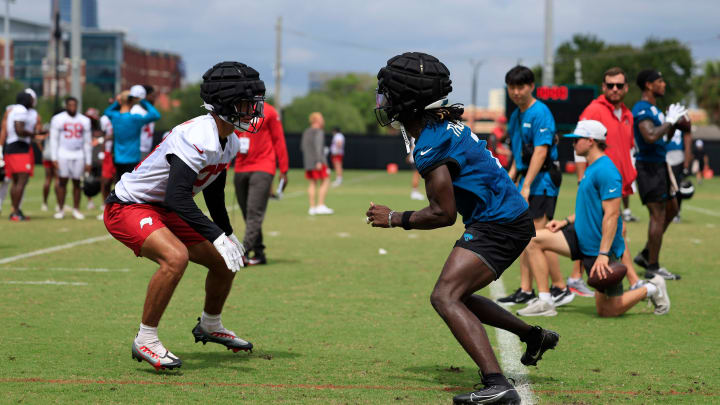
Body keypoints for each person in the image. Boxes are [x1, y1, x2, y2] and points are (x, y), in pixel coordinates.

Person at [367, 52, 558, 405]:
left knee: (444, 296)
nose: (383, 101)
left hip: (499, 222)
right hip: (506, 216)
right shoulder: (442, 124)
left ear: (407, 101)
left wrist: (394, 218)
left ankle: (497, 383)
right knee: (460, 296)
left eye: (389, 94)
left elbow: (443, 214)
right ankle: (533, 336)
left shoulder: (430, 143)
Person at [103, 61, 266, 371]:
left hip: (164, 208)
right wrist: (217, 235)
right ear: (225, 104)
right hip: (129, 205)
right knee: (175, 258)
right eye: (247, 104)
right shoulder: (197, 134)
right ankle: (146, 339)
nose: (253, 111)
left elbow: (214, 190)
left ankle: (209, 324)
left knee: (223, 261)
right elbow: (176, 196)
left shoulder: (228, 139)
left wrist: (227, 234)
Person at [525, 120, 670, 317]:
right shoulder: (592, 167)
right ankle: (545, 301)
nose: (573, 144)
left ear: (591, 141)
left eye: (577, 140)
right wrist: (565, 222)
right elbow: (591, 208)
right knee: (533, 239)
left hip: (599, 248)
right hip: (579, 236)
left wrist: (603, 254)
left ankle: (652, 289)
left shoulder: (606, 170)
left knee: (607, 310)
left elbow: (612, 215)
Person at [500, 66, 573, 314]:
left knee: (539, 236)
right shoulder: (515, 116)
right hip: (528, 180)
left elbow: (541, 152)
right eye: (512, 87)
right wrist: (508, 182)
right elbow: (518, 157)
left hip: (542, 180)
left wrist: (527, 185)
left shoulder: (541, 112)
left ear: (531, 86)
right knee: (526, 235)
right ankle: (525, 289)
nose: (516, 92)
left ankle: (560, 287)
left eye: (520, 86)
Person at [572, 67, 645, 295]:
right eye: (610, 85)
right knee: (603, 229)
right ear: (603, 87)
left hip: (616, 182)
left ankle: (631, 280)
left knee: (615, 231)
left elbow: (627, 148)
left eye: (619, 85)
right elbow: (580, 143)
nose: (615, 89)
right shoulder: (594, 109)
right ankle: (578, 276)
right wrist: (582, 179)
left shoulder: (627, 114)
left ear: (626, 88)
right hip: (598, 181)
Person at [631, 69, 685, 280]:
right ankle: (653, 266)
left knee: (672, 208)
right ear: (648, 85)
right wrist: (669, 122)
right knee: (658, 215)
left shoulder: (655, 109)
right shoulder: (642, 108)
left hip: (661, 166)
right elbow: (651, 136)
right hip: (649, 168)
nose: (664, 84)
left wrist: (675, 122)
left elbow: (665, 137)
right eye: (660, 81)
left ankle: (646, 253)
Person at [233, 102, 289, 265]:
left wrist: (283, 170)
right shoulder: (237, 109)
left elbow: (279, 140)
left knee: (253, 211)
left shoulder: (270, 111)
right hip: (241, 166)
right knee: (246, 211)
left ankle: (243, 252)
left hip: (263, 166)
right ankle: (258, 252)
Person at [49, 97, 92, 220]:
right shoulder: (58, 119)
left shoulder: (84, 120)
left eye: (74, 105)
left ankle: (76, 209)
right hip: (63, 153)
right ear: (66, 105)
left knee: (77, 182)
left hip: (78, 154)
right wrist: (54, 157)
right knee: (62, 181)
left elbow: (87, 142)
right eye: (70, 105)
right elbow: (54, 139)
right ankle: (61, 209)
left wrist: (88, 160)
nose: (72, 107)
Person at [104, 88, 161, 180]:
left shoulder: (114, 117)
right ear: (131, 101)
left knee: (119, 186)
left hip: (118, 159)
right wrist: (142, 101)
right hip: (133, 159)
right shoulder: (135, 119)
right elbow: (156, 115)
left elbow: (106, 111)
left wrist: (117, 102)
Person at [1, 92, 40, 221]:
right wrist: (34, 134)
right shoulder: (21, 110)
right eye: (30, 99)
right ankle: (15, 212)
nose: (32, 101)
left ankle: (15, 210)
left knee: (16, 181)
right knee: (22, 180)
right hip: (19, 148)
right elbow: (19, 130)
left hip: (12, 147)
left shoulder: (14, 109)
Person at [301, 112, 333, 215]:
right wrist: (319, 161)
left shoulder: (306, 132)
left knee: (312, 183)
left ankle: (312, 207)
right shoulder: (319, 132)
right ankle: (320, 205)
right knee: (326, 180)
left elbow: (302, 147)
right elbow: (319, 148)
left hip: (308, 162)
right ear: (317, 120)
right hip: (318, 161)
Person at [666, 127, 693, 222]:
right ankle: (667, 211)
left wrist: (686, 164)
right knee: (666, 187)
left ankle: (677, 212)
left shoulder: (682, 124)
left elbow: (687, 143)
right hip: (666, 156)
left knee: (677, 188)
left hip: (678, 157)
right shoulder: (664, 120)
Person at [131, 85, 161, 160]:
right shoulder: (136, 110)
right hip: (138, 149)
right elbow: (156, 115)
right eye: (152, 96)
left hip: (147, 150)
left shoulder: (149, 111)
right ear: (145, 96)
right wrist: (143, 100)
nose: (154, 99)